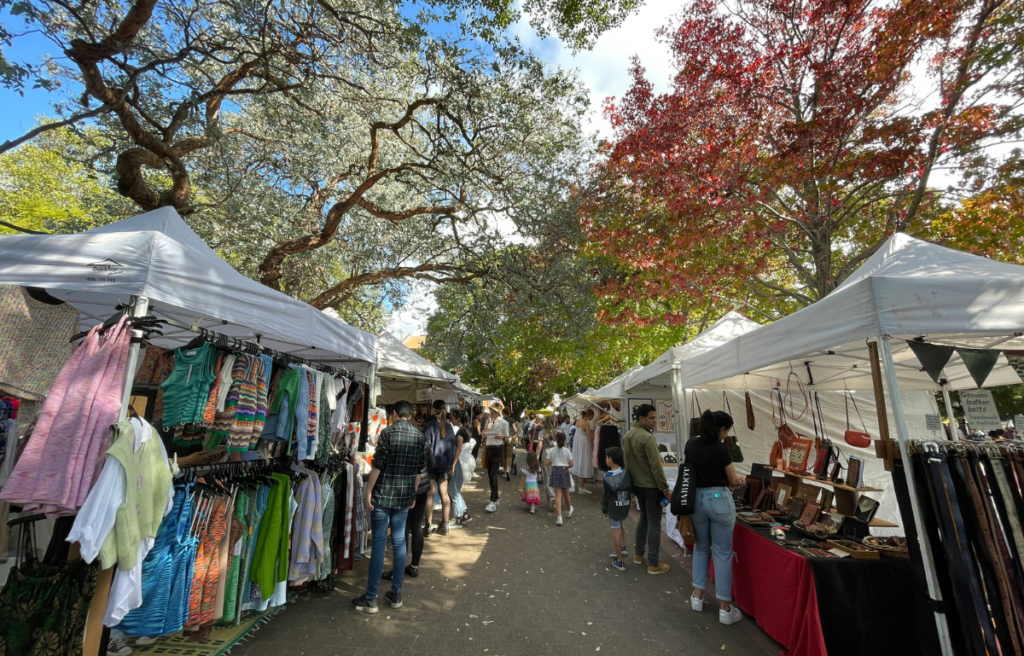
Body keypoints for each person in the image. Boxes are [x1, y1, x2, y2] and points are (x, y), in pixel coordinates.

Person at [352, 400, 425, 614]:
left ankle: (371, 597)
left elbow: (378, 464)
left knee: (378, 544)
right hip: (403, 496)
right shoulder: (419, 436)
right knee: (400, 542)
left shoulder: (388, 433)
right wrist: (413, 491)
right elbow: (419, 469)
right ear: (410, 415)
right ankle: (396, 593)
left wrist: (368, 490)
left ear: (393, 414)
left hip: (383, 494)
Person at [686, 409, 745, 625]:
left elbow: (689, 470)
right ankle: (725, 608)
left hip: (697, 499)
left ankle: (697, 597)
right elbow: (732, 480)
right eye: (726, 430)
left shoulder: (691, 443)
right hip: (719, 498)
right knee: (722, 553)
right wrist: (740, 480)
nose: (726, 434)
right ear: (721, 429)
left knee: (701, 547)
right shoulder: (723, 450)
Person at [623, 403, 671, 575]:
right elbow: (656, 466)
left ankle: (638, 555)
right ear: (641, 418)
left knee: (644, 518)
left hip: (637, 485)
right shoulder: (647, 437)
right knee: (654, 523)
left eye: (655, 417)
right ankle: (653, 562)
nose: (654, 421)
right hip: (650, 486)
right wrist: (664, 488)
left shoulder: (628, 436)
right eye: (651, 418)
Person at [382, 425, 433, 581]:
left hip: (404, 487)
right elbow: (431, 462)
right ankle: (414, 567)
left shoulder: (397, 439)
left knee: (402, 529)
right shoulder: (423, 439)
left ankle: (398, 570)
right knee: (416, 527)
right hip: (422, 487)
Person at [423, 399, 456, 536]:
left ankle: (428, 525)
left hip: (431, 465)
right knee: (444, 493)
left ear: (433, 409)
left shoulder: (429, 425)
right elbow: (453, 446)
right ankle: (445, 523)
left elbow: (426, 446)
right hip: (444, 465)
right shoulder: (449, 426)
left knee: (429, 494)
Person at [601, 446, 632, 572]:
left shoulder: (607, 477)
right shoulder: (626, 473)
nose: (606, 459)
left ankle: (620, 560)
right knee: (620, 526)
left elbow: (605, 496)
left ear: (611, 459)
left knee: (615, 530)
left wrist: (604, 509)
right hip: (625, 504)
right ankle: (623, 547)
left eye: (607, 457)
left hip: (613, 506)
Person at [483, 403, 510, 512]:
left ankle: (493, 501)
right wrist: (488, 426)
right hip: (488, 448)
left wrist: (503, 437)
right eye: (490, 410)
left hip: (498, 449)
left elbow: (508, 439)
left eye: (492, 410)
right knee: (490, 475)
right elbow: (484, 435)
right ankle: (496, 498)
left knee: (494, 474)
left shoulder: (504, 423)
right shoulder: (489, 421)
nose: (490, 412)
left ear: (497, 412)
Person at [545, 431, 574, 526]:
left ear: (556, 440)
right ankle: (569, 510)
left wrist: (552, 461)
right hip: (564, 470)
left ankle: (559, 517)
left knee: (557, 495)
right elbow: (572, 463)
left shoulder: (552, 450)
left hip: (555, 470)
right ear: (565, 440)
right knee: (566, 494)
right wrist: (566, 466)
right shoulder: (567, 450)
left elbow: (546, 462)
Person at [449, 408, 473, 525]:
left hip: (459, 463)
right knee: (454, 490)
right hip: (463, 462)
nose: (451, 419)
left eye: (452, 417)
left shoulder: (460, 432)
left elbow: (458, 449)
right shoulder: (465, 430)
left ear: (458, 418)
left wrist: (453, 464)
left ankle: (459, 517)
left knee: (454, 491)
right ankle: (464, 513)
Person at [572, 409, 595, 495]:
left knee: (580, 462)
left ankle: (581, 486)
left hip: (578, 444)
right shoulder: (586, 423)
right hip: (584, 445)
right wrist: (597, 435)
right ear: (590, 415)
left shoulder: (578, 420)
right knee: (583, 463)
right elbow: (590, 438)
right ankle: (581, 487)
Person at [536, 415, 557, 506]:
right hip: (556, 453)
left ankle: (551, 496)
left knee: (547, 475)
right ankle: (557, 495)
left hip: (546, 453)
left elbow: (539, 446)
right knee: (555, 474)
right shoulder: (558, 432)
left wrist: (537, 456)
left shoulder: (542, 432)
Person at [502, 407, 517, 480]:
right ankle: (508, 469)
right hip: (510, 438)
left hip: (502, 438)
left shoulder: (501, 420)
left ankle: (504, 472)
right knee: (509, 455)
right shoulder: (511, 419)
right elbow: (515, 429)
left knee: (504, 454)